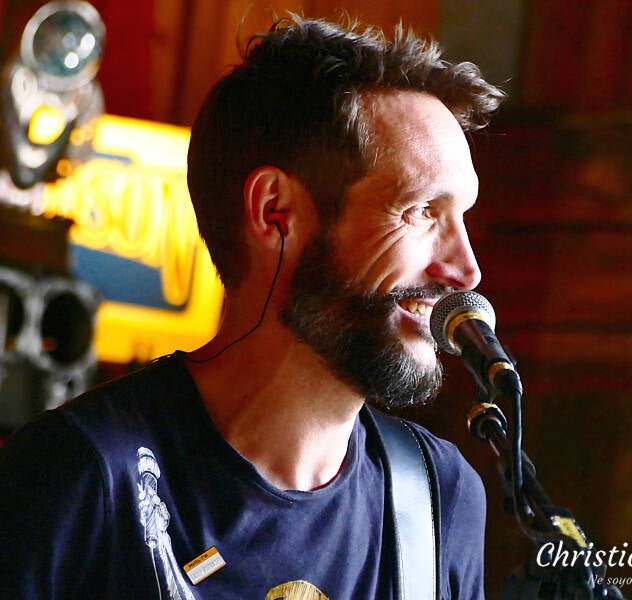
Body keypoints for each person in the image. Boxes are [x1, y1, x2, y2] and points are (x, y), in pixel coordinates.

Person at [0, 15, 504, 599]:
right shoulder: (74, 475)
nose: (466, 270)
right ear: (274, 212)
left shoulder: (440, 498)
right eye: (421, 212)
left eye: (462, 216)